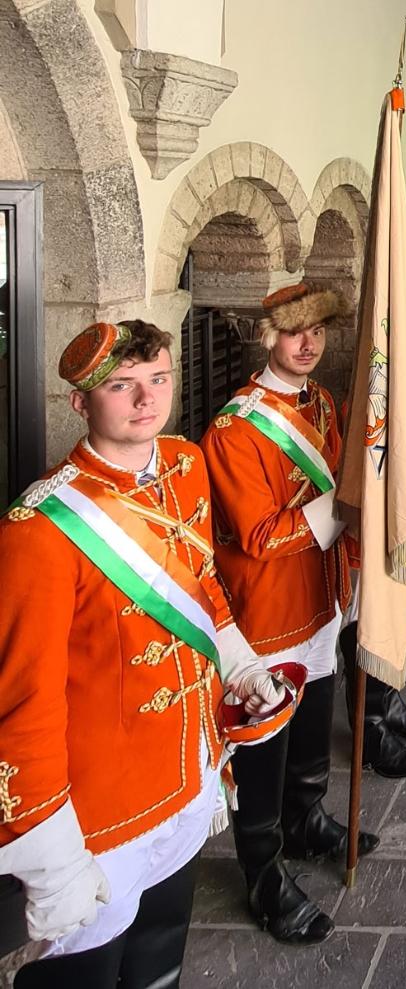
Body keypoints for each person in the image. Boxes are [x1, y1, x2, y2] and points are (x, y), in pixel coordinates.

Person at [0, 320, 286, 985]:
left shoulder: (186, 466)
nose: (145, 400)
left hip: (186, 777)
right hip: (100, 818)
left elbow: (202, 586)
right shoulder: (39, 528)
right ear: (80, 402)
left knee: (161, 955)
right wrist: (52, 857)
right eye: (121, 386)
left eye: (157, 379)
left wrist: (238, 660)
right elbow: (22, 707)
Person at [203, 284, 406, 947]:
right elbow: (260, 535)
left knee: (309, 729)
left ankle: (306, 818)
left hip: (323, 595)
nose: (309, 344)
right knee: (264, 750)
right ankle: (264, 870)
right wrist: (349, 494)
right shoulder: (234, 428)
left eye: (319, 332)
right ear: (268, 337)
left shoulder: (324, 403)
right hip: (269, 610)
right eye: (294, 332)